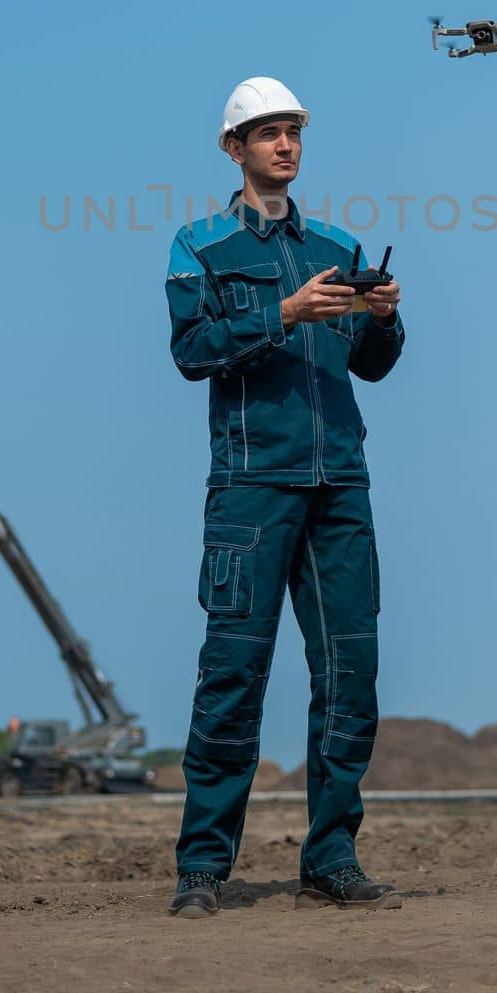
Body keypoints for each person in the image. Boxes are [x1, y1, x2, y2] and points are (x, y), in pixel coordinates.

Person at [164, 77, 405, 918]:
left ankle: (330, 860)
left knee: (351, 677)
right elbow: (192, 350)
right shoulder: (198, 246)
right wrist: (285, 312)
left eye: (294, 131)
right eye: (267, 133)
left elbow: (372, 366)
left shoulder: (336, 243)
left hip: (341, 483)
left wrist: (382, 317)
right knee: (232, 675)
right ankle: (202, 869)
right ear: (234, 149)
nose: (285, 146)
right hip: (250, 488)